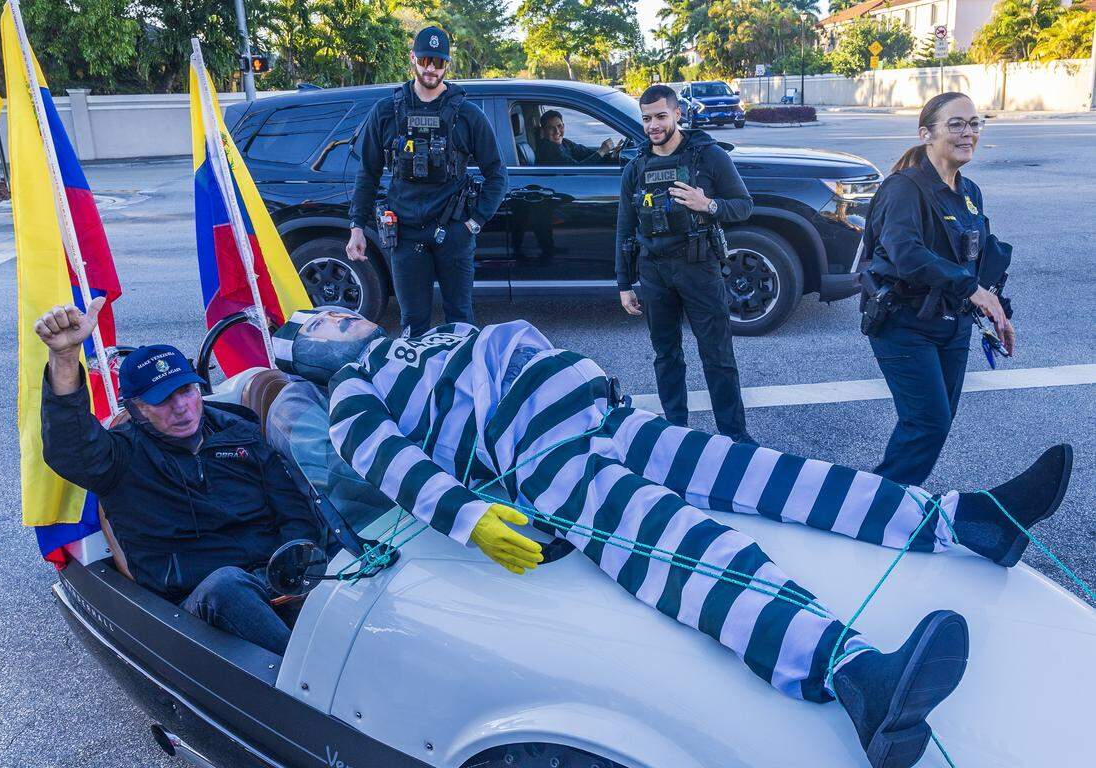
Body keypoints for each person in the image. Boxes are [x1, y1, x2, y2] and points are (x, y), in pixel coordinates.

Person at [269, 306, 1072, 768]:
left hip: (603, 413)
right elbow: (389, 460)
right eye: (322, 325)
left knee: (773, 477)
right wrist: (466, 515)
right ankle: (855, 675)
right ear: (310, 356)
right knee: (686, 553)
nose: (342, 318)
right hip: (540, 460)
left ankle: (965, 522)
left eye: (340, 309)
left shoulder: (426, 331)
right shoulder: (356, 392)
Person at [36, 298, 321, 655]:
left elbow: (293, 509)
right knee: (227, 585)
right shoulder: (119, 458)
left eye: (187, 391)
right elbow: (69, 447)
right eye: (163, 400)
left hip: (274, 573)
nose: (182, 408)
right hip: (197, 599)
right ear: (135, 408)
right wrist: (64, 359)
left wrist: (300, 563)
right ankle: (304, 683)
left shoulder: (241, 431)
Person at [861, 92, 1016, 486]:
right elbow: (906, 255)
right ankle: (878, 505)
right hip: (903, 323)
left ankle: (892, 499)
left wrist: (995, 307)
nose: (968, 133)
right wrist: (971, 289)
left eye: (974, 123)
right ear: (926, 133)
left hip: (953, 325)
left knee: (935, 424)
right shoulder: (903, 189)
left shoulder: (970, 193)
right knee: (926, 424)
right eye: (956, 124)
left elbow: (973, 260)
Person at [346, 25, 508, 337]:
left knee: (460, 323)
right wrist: (356, 227)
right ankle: (420, 384)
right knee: (413, 324)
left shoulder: (468, 115)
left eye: (438, 61)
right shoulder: (386, 112)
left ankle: (459, 383)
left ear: (448, 63)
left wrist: (473, 224)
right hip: (405, 235)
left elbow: (497, 175)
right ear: (413, 59)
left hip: (454, 234)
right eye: (424, 60)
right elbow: (367, 172)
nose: (430, 68)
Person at [616, 84, 754, 441]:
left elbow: (743, 205)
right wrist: (623, 284)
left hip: (698, 266)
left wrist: (706, 204)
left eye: (661, 116)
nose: (653, 126)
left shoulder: (708, 156)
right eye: (647, 119)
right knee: (666, 356)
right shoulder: (636, 167)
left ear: (678, 114)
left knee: (718, 357)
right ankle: (676, 435)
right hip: (654, 271)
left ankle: (734, 438)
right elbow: (624, 229)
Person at [534, 109, 617, 166]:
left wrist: (611, 154)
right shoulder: (549, 149)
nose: (557, 132)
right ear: (543, 131)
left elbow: (584, 152)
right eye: (551, 128)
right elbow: (577, 169)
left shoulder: (564, 142)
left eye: (559, 126)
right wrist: (601, 152)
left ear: (564, 125)